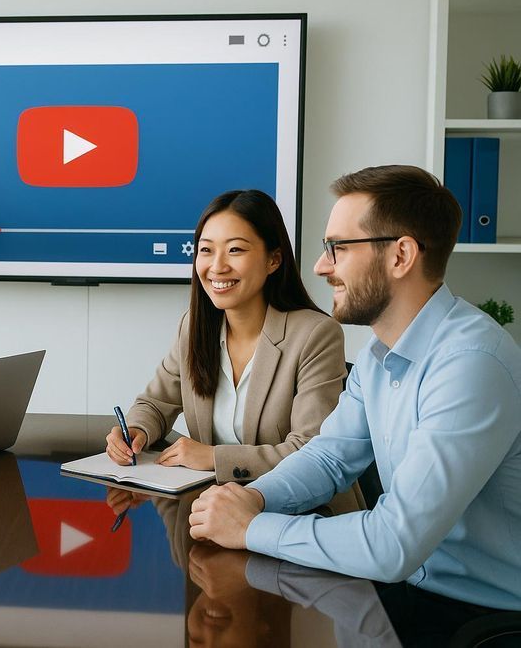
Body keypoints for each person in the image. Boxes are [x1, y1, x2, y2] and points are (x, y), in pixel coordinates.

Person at [188, 165, 521, 611]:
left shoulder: (471, 365)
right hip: (405, 589)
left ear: (401, 255)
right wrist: (252, 497)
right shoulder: (380, 355)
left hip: (474, 613)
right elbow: (329, 458)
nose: (320, 266)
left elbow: (392, 544)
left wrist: (250, 527)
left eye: (337, 248)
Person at [106, 190, 354, 500]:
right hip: (214, 509)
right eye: (206, 250)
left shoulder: (315, 335)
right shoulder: (193, 328)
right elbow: (155, 404)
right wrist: (136, 432)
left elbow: (310, 451)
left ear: (273, 260)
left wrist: (213, 458)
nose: (217, 266)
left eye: (235, 250)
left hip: (299, 511)